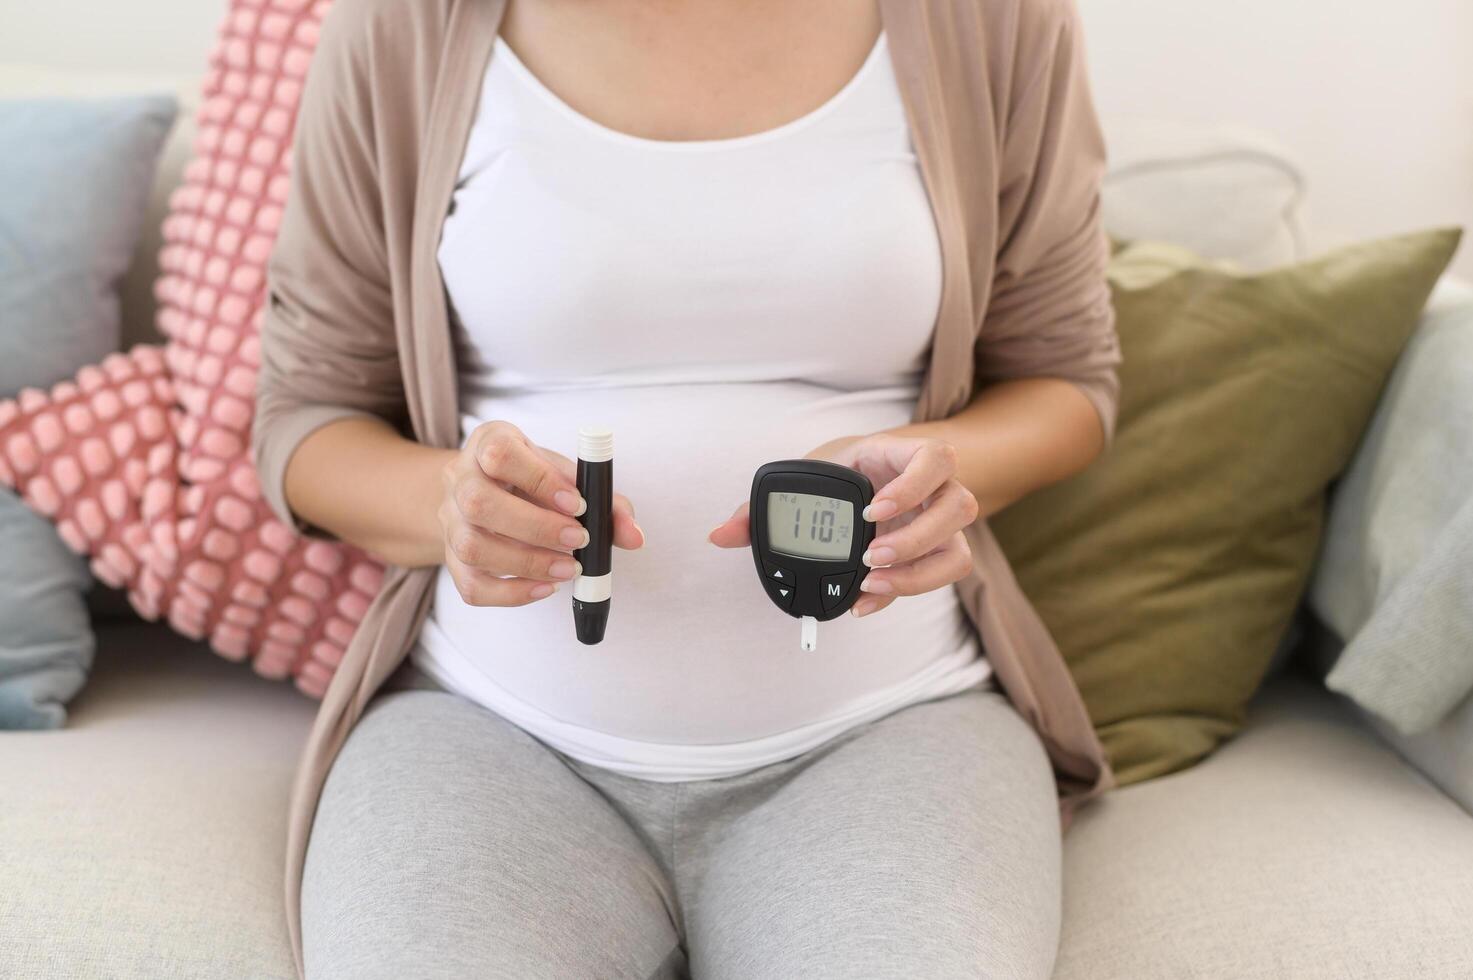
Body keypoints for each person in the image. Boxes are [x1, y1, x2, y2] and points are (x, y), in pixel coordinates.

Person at [252, 0, 1122, 976]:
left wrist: (941, 474)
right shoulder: (402, 25)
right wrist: (452, 505)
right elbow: (305, 418)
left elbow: (1070, 383)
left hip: (890, 730)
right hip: (488, 733)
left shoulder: (996, 22)